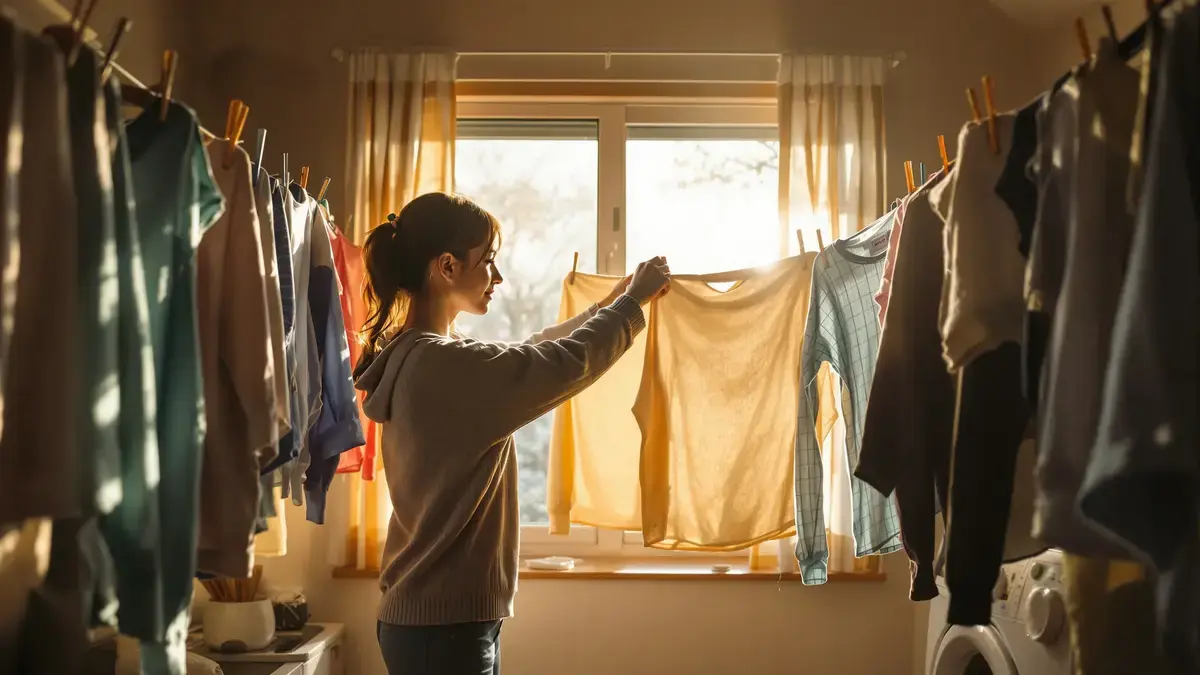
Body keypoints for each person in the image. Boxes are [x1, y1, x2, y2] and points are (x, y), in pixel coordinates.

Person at [354, 192, 671, 675]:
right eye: (488, 262)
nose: (497, 278)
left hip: (438, 622)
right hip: (445, 630)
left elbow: (530, 352)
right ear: (446, 267)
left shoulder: (426, 354)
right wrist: (630, 305)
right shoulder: (444, 366)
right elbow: (559, 364)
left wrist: (611, 303)